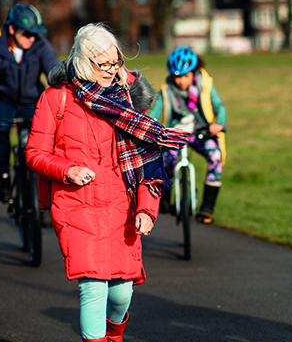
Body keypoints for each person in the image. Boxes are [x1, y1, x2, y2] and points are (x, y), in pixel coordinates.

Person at [25, 23, 188, 342]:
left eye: (116, 62)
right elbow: (35, 153)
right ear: (84, 62)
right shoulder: (54, 99)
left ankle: (114, 335)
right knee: (93, 288)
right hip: (75, 207)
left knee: (121, 296)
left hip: (121, 209)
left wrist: (147, 210)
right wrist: (67, 169)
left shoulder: (128, 101)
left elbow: (148, 165)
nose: (112, 70)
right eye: (104, 64)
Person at [147, 46, 226, 224]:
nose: (182, 81)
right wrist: (150, 127)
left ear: (193, 72)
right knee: (167, 161)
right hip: (176, 134)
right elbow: (155, 113)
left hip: (201, 132)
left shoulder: (204, 86)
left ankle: (207, 207)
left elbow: (219, 106)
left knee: (215, 157)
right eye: (177, 76)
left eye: (186, 76)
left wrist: (218, 124)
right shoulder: (166, 91)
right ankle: (165, 198)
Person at [0, 2, 58, 203]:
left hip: (32, 100)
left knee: (42, 141)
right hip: (3, 99)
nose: (32, 38)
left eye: (35, 34)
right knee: (1, 133)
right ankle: (4, 179)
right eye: (27, 34)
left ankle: (43, 190)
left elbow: (54, 72)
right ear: (12, 29)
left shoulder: (40, 45)